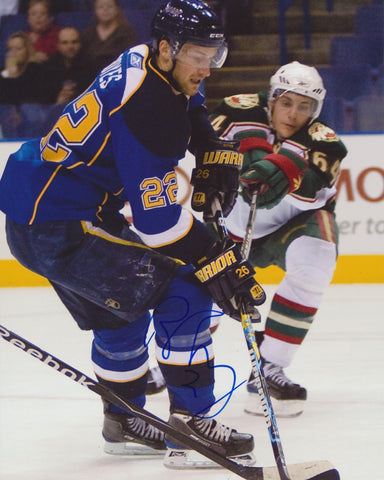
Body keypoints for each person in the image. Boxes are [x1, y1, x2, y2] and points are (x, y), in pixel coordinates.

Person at [0, 0, 264, 469]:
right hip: (62, 225)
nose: (207, 69)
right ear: (168, 48)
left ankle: (123, 420)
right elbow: (159, 225)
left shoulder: (143, 58)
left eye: (214, 56)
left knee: (119, 307)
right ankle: (191, 424)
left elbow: (191, 103)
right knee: (186, 283)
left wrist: (208, 144)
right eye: (198, 56)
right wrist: (215, 254)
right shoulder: (151, 113)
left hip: (46, 212)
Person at [207, 61, 348, 417]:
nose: (294, 114)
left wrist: (265, 168)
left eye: (305, 106)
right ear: (271, 99)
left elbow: (272, 191)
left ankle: (269, 366)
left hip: (293, 227)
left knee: (318, 256)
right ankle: (179, 359)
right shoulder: (239, 109)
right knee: (201, 283)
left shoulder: (324, 143)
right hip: (232, 229)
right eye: (286, 103)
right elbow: (210, 140)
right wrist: (250, 151)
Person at [80, 0, 138, 78]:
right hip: (91, 78)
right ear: (95, 10)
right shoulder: (87, 34)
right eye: (101, 7)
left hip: (118, 77)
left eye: (110, 6)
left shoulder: (126, 32)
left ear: (117, 9)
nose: (105, 10)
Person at [43, 26, 93, 105]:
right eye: (65, 43)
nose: (70, 47)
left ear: (80, 44)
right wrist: (58, 98)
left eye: (74, 42)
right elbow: (44, 95)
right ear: (58, 45)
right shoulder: (49, 65)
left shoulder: (91, 64)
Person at [0, 31, 46, 105]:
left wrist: (13, 77)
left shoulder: (35, 69)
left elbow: (27, 98)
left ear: (27, 50)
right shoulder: (4, 72)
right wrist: (9, 74)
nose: (13, 53)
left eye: (18, 49)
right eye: (10, 49)